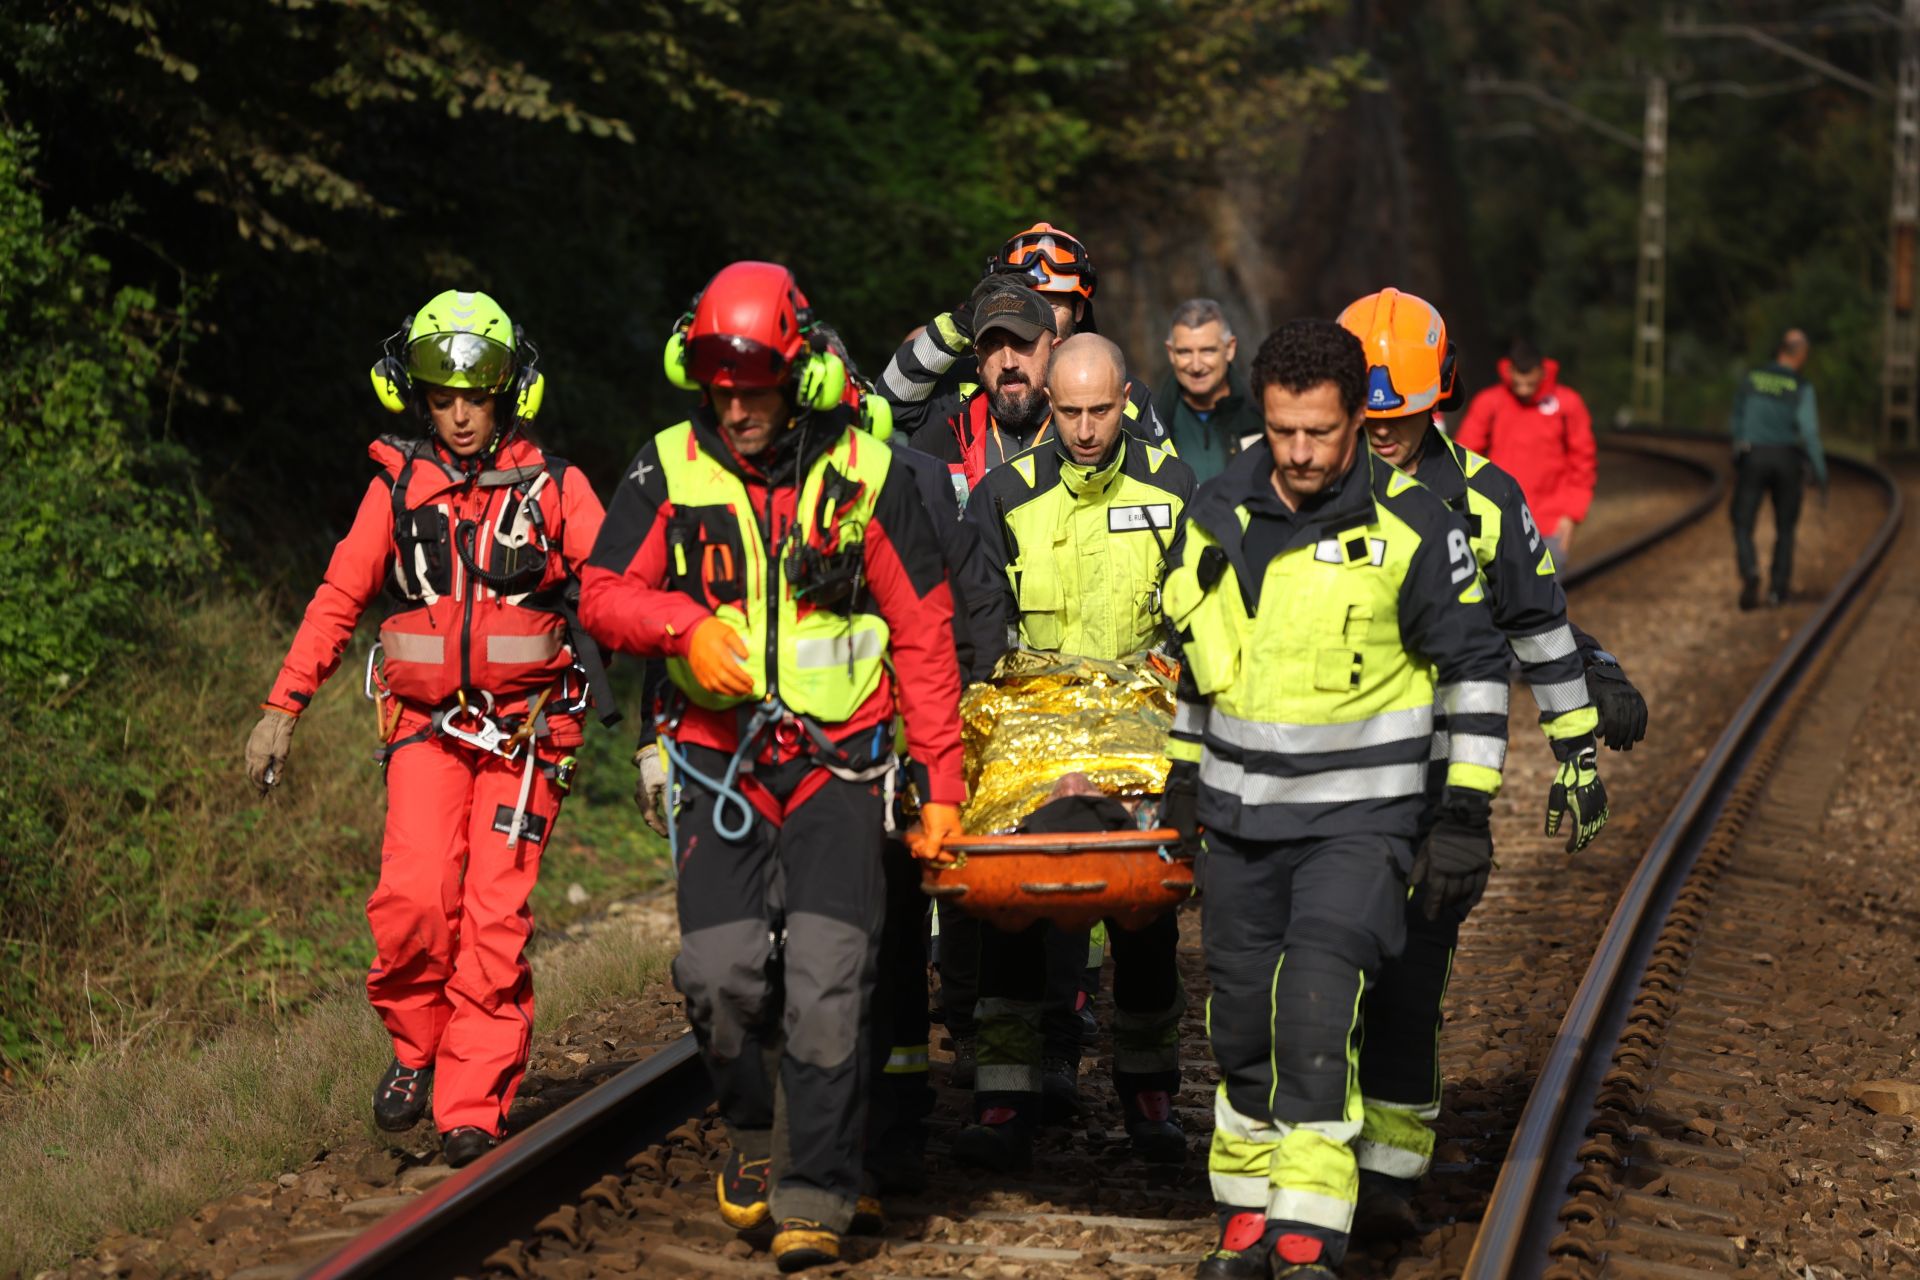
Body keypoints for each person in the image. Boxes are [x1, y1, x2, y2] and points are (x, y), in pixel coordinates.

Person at [576, 261, 967, 1273]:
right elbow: (603, 591)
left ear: (795, 373)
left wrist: (943, 788)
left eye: (754, 382)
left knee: (833, 978)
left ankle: (818, 1189)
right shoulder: (667, 466)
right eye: (719, 381)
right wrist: (682, 626)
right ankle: (754, 1134)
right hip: (717, 766)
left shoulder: (868, 475)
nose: (737, 405)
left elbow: (924, 634)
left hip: (840, 766)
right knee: (723, 976)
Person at [1161, 319, 1514, 1280]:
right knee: (1239, 1026)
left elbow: (1476, 671)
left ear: (1358, 421)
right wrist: (1181, 781)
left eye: (1321, 432)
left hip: (1362, 830)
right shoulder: (1217, 512)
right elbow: (1198, 664)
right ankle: (1244, 1217)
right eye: (1283, 433)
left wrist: (1463, 816)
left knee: (1317, 1010)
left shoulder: (1412, 525)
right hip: (1237, 829)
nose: (1303, 454)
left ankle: (1310, 1234)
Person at [243, 290, 610, 1168]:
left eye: (473, 397)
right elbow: (339, 599)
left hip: (526, 740)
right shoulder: (397, 489)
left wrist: (665, 711)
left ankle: (471, 1103)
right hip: (423, 730)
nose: (458, 415)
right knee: (411, 903)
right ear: (418, 396)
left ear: (507, 393)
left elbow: (618, 592)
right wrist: (279, 708)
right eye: (441, 397)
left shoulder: (558, 490)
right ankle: (417, 1047)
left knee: (492, 919)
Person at [1334, 288, 1643, 1236]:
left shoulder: (1488, 499)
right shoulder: (1294, 483)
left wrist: (1578, 747)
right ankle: (1314, 1167)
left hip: (1437, 785)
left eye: (1403, 416)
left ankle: (1387, 1175)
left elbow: (1537, 631)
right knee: (1318, 979)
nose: (1384, 434)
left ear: (1444, 396)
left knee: (1412, 979)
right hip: (1327, 783)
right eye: (1369, 416)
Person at [954, 334, 1196, 1170]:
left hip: (1144, 730)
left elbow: (1198, 625)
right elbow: (980, 638)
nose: (1087, 430)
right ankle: (1005, 1096)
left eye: (1101, 410)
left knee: (1145, 909)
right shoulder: (1002, 497)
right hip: (1032, 732)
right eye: (1070, 412)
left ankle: (1148, 1091)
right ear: (1047, 406)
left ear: (1127, 399)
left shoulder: (1173, 490)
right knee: (1011, 905)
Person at [878, 223, 1168, 502]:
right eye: (1024, 304)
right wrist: (963, 323)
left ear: (1079, 310)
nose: (1035, 319)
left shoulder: (1113, 390)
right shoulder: (976, 377)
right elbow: (889, 404)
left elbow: (1168, 484)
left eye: (1051, 305)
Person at [1454, 338, 1596, 561]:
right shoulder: (1489, 402)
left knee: (1546, 591)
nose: (1524, 391)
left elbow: (1583, 462)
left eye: (1530, 385)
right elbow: (1463, 457)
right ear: (1509, 371)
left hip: (1550, 524)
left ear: (1542, 372)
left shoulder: (1569, 404)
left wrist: (1572, 514)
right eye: (1518, 384)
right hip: (1499, 520)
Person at [1729, 328, 1826, 609]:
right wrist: (1820, 473)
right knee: (1785, 528)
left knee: (1742, 522)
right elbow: (1809, 432)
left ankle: (1750, 570)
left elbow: (1737, 419)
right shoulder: (1801, 387)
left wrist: (1738, 451)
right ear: (1802, 355)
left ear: (1780, 350)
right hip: (1787, 459)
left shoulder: (1752, 378)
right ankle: (1777, 591)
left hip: (1754, 456)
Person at [1155, 298, 1265, 485]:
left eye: (1208, 351)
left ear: (1230, 349)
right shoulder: (1150, 423)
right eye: (1184, 352)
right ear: (1170, 353)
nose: (1196, 366)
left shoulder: (1262, 413)